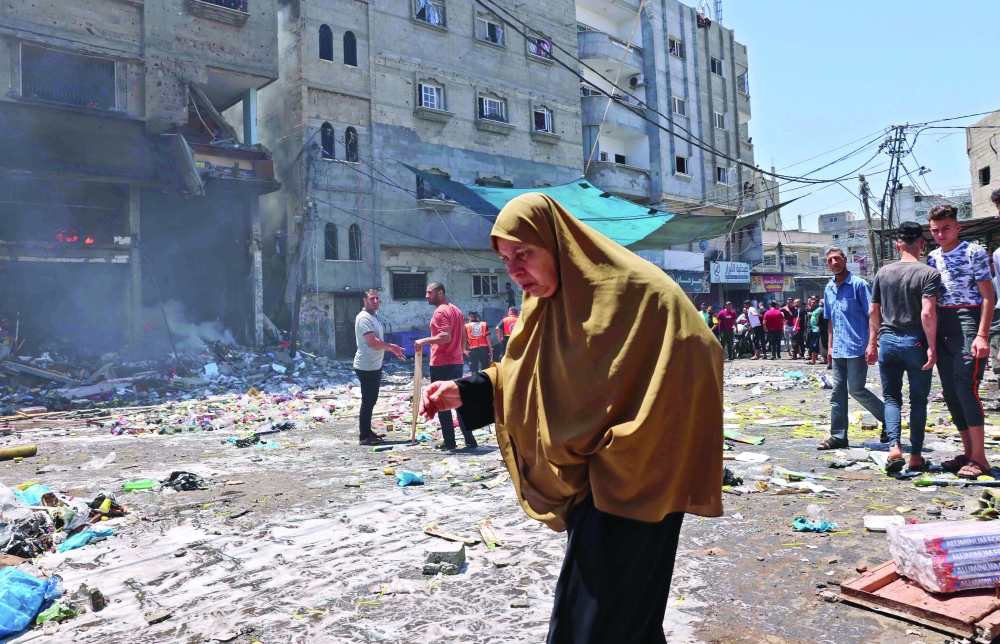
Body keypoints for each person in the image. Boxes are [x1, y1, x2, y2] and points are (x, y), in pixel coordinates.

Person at [420, 193, 722, 643]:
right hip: (593, 482)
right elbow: (524, 374)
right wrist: (465, 391)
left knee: (589, 625)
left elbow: (700, 351)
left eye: (524, 253)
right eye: (506, 260)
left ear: (557, 242)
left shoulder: (639, 291)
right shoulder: (544, 306)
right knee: (625, 623)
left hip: (642, 477)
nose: (516, 270)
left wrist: (636, 441)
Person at [865, 222, 940, 474]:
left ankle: (895, 448)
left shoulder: (883, 273)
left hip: (887, 341)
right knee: (918, 401)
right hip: (916, 342)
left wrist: (872, 342)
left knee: (891, 398)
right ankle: (916, 456)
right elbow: (928, 313)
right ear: (921, 244)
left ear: (898, 245)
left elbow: (874, 311)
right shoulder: (929, 273)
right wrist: (932, 346)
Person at [926, 205, 995, 478]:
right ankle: (968, 453)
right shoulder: (931, 258)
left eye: (946, 228)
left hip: (970, 321)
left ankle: (981, 459)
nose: (941, 234)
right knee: (951, 392)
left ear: (957, 227)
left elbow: (989, 297)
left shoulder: (974, 252)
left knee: (967, 387)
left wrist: (982, 334)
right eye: (935, 230)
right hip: (943, 325)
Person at [818, 247, 886, 450]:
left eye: (837, 258)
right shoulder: (829, 288)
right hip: (838, 348)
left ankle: (890, 422)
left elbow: (873, 316)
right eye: (829, 260)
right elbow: (830, 321)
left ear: (845, 260)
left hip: (857, 347)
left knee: (856, 389)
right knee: (837, 394)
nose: (834, 263)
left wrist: (872, 343)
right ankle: (838, 436)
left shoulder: (859, 285)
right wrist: (829, 347)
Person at [414, 282, 478, 451]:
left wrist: (423, 341)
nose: (427, 296)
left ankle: (449, 441)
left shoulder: (440, 312)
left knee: (442, 402)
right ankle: (470, 440)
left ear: (440, 293)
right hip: (456, 361)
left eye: (430, 292)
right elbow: (463, 335)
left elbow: (444, 336)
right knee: (458, 401)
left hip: (442, 362)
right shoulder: (455, 310)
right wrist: (461, 351)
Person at [353, 290, 405, 446]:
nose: (375, 301)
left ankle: (368, 431)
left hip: (374, 365)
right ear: (365, 301)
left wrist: (392, 349)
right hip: (366, 366)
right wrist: (391, 347)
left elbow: (378, 341)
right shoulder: (363, 318)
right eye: (371, 299)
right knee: (368, 401)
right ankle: (364, 436)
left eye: (377, 298)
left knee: (371, 400)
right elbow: (373, 342)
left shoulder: (373, 317)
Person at [807, 296, 822, 365]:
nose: (812, 304)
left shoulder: (819, 309)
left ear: (817, 303)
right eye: (811, 302)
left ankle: (813, 360)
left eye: (814, 303)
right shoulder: (814, 310)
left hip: (817, 330)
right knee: (813, 345)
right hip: (813, 330)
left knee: (815, 345)